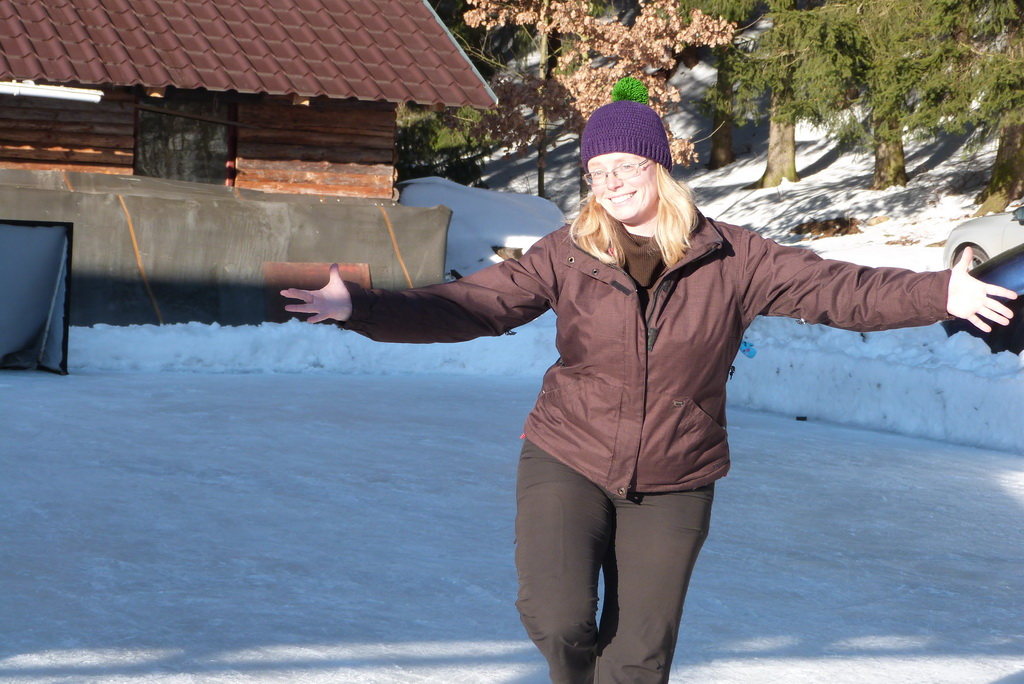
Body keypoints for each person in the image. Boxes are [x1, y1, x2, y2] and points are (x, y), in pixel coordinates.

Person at [280, 79, 1017, 684]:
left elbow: (839, 290)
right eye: (597, 172)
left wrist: (938, 292)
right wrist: (362, 307)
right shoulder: (566, 253)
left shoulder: (734, 257)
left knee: (638, 659)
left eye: (625, 167)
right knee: (557, 618)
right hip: (569, 453)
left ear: (658, 169)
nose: (610, 185)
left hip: (676, 472)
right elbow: (473, 304)